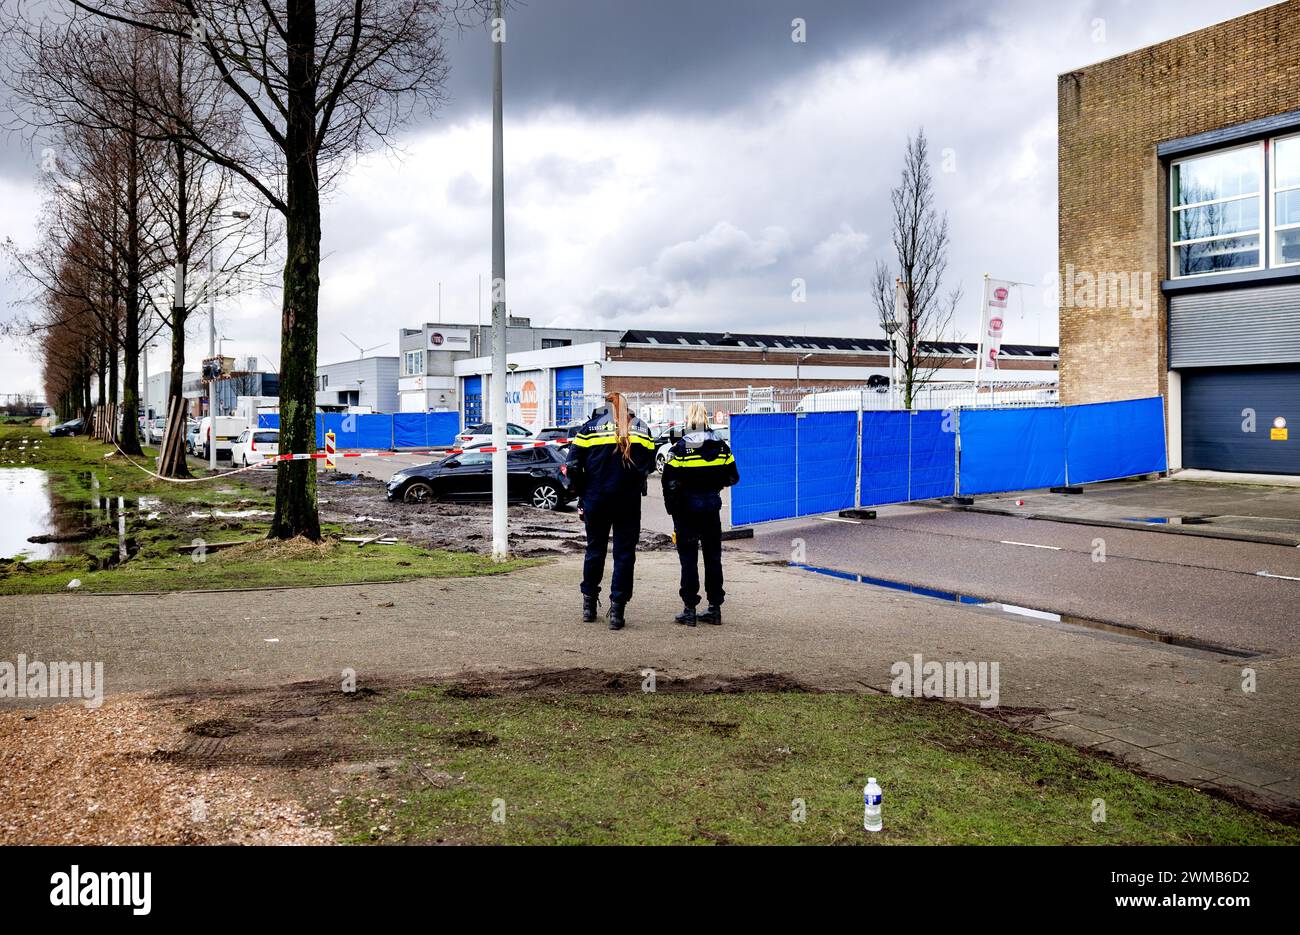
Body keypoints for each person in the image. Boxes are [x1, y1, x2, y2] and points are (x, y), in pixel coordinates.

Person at [566, 393, 656, 630]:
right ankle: (617, 611)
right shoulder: (641, 429)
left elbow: (573, 466)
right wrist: (634, 479)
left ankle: (588, 607)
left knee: (595, 550)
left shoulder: (588, 429)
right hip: (627, 501)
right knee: (624, 555)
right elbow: (650, 463)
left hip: (596, 499)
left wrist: (581, 492)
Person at [660, 403, 740, 626]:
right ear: (707, 419)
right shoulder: (722, 447)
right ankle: (714, 608)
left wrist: (673, 509)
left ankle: (689, 609)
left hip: (686, 511)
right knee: (713, 559)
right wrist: (714, 485)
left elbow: (669, 483)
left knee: (689, 560)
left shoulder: (681, 447)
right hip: (711, 509)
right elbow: (733, 478)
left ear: (688, 420)